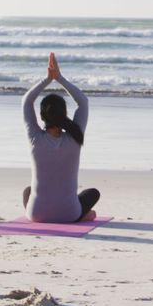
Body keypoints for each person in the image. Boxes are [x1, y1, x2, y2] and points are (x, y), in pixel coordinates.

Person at [21, 53, 99, 223]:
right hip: (69, 214)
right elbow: (83, 102)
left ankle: (82, 215)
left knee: (28, 191)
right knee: (93, 193)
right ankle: (84, 216)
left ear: (42, 116)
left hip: (36, 214)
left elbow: (26, 102)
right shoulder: (75, 137)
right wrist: (60, 78)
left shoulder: (35, 139)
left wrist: (48, 79)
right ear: (64, 114)